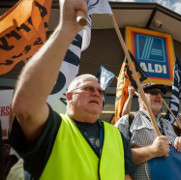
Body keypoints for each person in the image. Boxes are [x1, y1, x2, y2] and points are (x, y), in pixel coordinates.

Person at [10, 0, 135, 179]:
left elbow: (126, 177)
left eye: (100, 91)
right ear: (68, 96)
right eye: (88, 88)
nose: (96, 93)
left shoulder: (116, 135)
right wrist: (66, 29)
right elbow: (25, 107)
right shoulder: (52, 127)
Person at [115, 84, 181, 180]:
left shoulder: (167, 124)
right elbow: (115, 157)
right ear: (141, 96)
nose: (159, 96)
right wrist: (153, 150)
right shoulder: (127, 121)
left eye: (161, 94)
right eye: (154, 92)